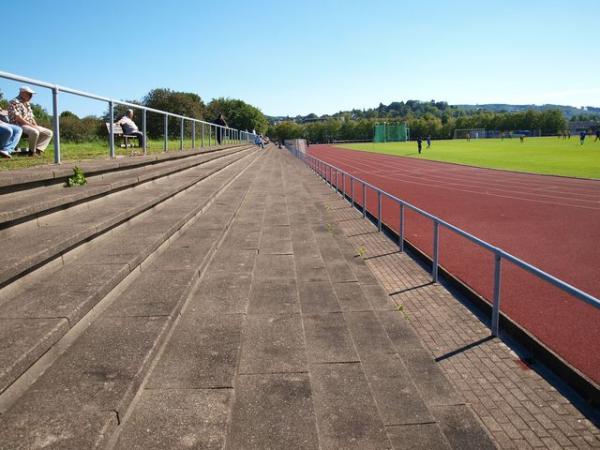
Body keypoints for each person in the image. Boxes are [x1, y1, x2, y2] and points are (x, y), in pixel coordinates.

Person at [8, 86, 53, 156]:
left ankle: (38, 150)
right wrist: (32, 126)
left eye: (31, 94)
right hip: (18, 125)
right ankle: (32, 152)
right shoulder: (14, 102)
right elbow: (18, 118)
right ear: (22, 93)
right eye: (29, 94)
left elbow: (31, 117)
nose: (31, 96)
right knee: (34, 131)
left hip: (28, 125)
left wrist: (36, 125)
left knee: (49, 133)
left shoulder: (27, 103)